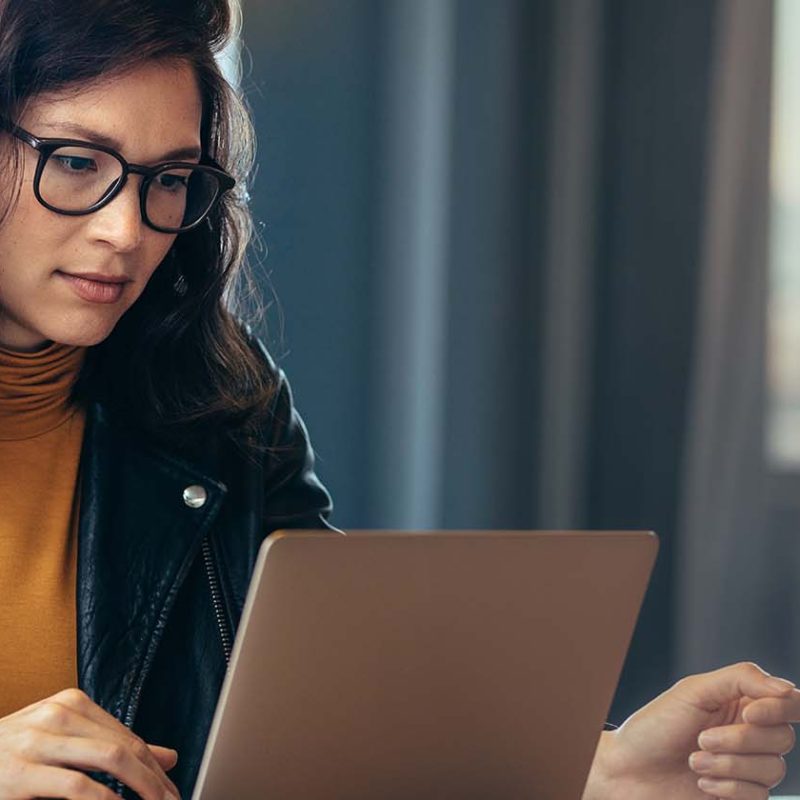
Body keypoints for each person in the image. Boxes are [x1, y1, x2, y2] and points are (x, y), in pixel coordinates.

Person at [0, 1, 797, 799]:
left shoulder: (220, 404)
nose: (127, 229)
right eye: (77, 162)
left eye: (169, 180)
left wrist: (599, 769)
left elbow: (342, 711)